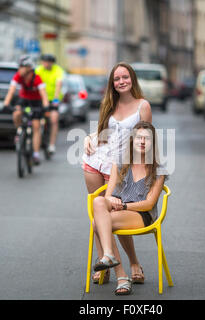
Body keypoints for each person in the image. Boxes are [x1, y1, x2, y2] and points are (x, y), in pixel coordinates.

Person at [82, 62, 153, 286]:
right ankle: (104, 264)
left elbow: (146, 138)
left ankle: (133, 263)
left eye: (125, 77)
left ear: (132, 79)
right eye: (116, 79)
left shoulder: (143, 105)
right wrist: (88, 137)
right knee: (98, 213)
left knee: (115, 214)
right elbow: (104, 131)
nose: (121, 82)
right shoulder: (109, 103)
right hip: (96, 162)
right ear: (112, 84)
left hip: (120, 168)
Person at [92, 121, 167, 295]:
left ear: (153, 143)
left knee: (99, 223)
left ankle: (121, 275)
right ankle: (113, 261)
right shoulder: (120, 163)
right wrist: (113, 201)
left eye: (147, 139)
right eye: (139, 137)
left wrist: (124, 205)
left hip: (142, 215)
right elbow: (108, 196)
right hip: (120, 211)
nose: (142, 141)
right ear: (132, 140)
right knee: (98, 202)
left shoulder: (158, 170)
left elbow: (149, 203)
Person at [3, 55, 50, 165]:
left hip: (36, 102)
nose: (20, 69)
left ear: (29, 68)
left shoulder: (37, 78)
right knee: (16, 114)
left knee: (36, 126)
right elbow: (11, 91)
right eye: (19, 66)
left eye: (22, 67)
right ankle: (19, 132)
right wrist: (6, 103)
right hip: (24, 99)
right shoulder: (18, 76)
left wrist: (46, 105)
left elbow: (44, 95)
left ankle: (36, 155)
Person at [35, 54, 65, 155]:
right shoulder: (38, 70)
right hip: (40, 99)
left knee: (54, 119)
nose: (46, 64)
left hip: (53, 99)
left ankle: (52, 145)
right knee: (37, 121)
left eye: (48, 62)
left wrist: (56, 100)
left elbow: (58, 84)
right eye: (44, 62)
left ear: (52, 63)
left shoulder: (58, 70)